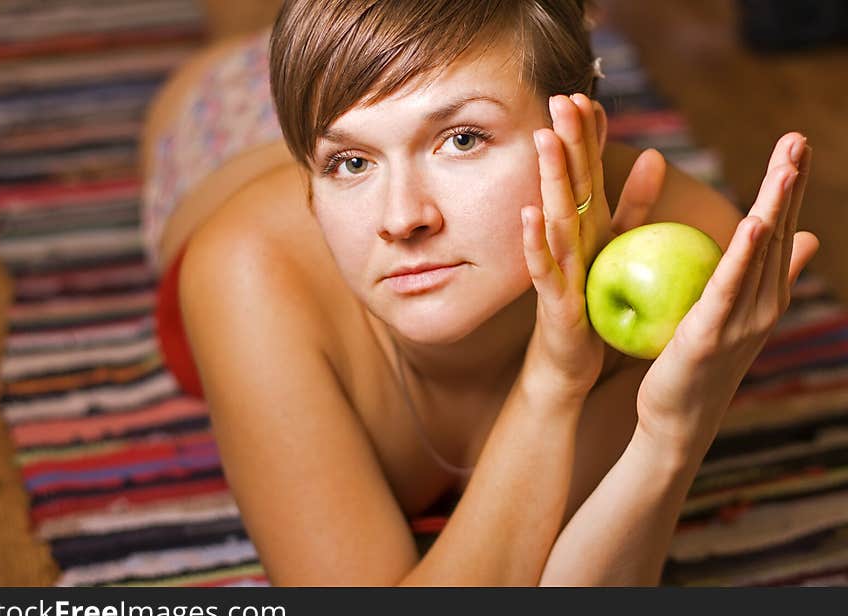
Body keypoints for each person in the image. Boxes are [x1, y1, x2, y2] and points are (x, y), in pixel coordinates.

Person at [140, 0, 818, 586]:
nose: (402, 216)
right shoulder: (246, 272)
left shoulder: (688, 250)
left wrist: (671, 436)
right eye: (350, 162)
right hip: (232, 119)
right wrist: (555, 379)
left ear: (576, 135)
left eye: (462, 140)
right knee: (250, 37)